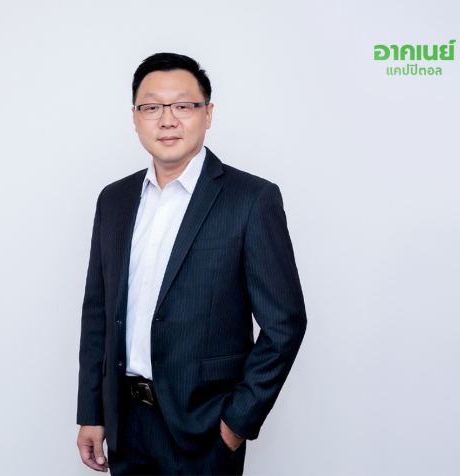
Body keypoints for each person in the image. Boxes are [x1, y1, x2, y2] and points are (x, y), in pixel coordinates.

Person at [76, 52, 306, 475]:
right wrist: (92, 411)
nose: (167, 120)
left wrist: (236, 424)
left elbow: (285, 324)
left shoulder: (251, 199)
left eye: (182, 106)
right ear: (135, 118)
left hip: (204, 428)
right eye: (152, 107)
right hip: (125, 424)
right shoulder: (114, 200)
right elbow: (98, 314)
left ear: (208, 114)